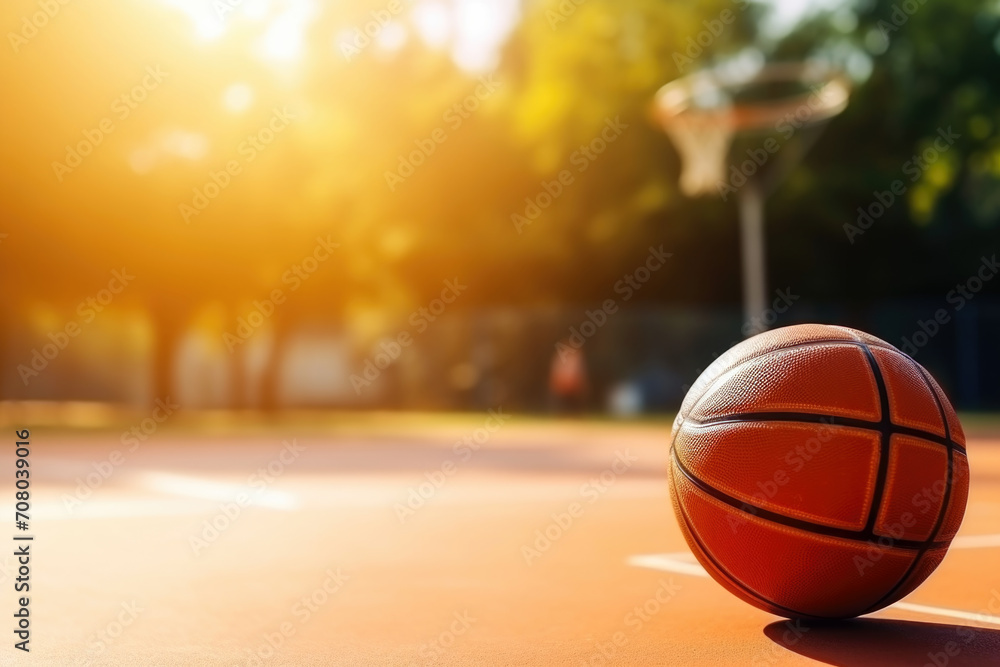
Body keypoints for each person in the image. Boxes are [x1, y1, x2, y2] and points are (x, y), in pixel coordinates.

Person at [549, 340, 587, 413]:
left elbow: (581, 375)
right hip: (562, 387)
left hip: (574, 387)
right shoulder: (560, 357)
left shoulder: (577, 358)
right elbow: (556, 375)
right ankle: (560, 412)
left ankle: (577, 413)